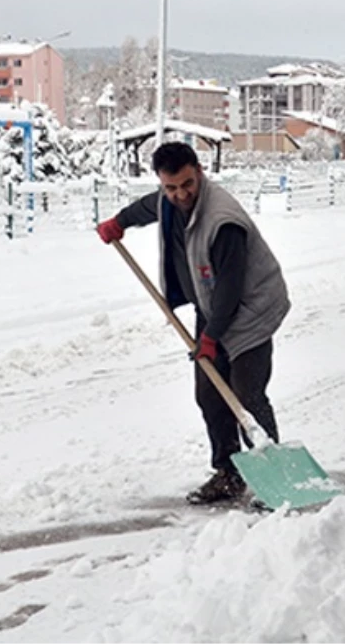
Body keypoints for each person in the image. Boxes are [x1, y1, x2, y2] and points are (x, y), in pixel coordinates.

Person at [96, 142, 291, 505]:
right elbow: (146, 207)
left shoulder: (222, 220)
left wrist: (211, 337)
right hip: (212, 305)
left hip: (250, 310)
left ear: (199, 171)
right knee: (209, 394)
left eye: (187, 184)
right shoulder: (167, 199)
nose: (180, 194)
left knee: (246, 394)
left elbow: (231, 289)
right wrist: (118, 223)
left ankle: (274, 477)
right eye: (171, 187)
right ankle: (228, 475)